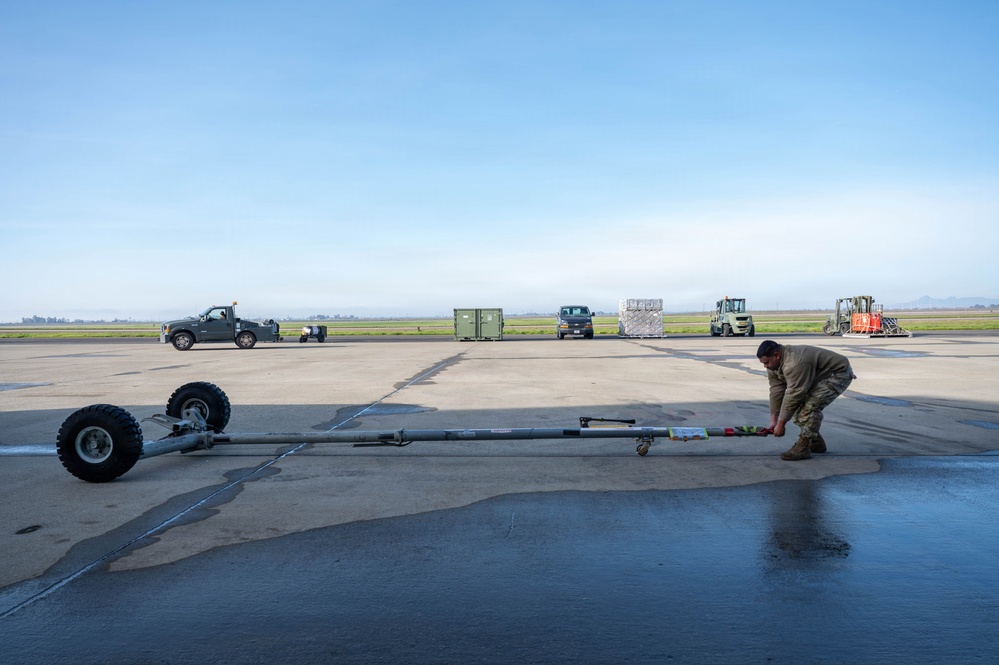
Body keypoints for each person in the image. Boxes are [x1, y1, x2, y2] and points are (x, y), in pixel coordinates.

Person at [756, 340, 856, 461]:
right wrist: (774, 420)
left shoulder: (794, 363)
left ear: (776, 355)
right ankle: (816, 442)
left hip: (837, 374)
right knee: (798, 410)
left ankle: (803, 447)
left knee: (809, 408)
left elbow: (794, 395)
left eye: (766, 362)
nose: (765, 366)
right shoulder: (774, 364)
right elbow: (776, 389)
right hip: (818, 376)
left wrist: (781, 424)